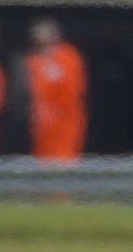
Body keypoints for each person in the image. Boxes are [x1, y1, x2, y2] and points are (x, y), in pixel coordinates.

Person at [25, 19, 87, 160]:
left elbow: (73, 89)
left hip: (64, 120)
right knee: (43, 161)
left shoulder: (68, 56)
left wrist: (55, 109)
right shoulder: (34, 61)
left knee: (62, 160)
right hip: (42, 124)